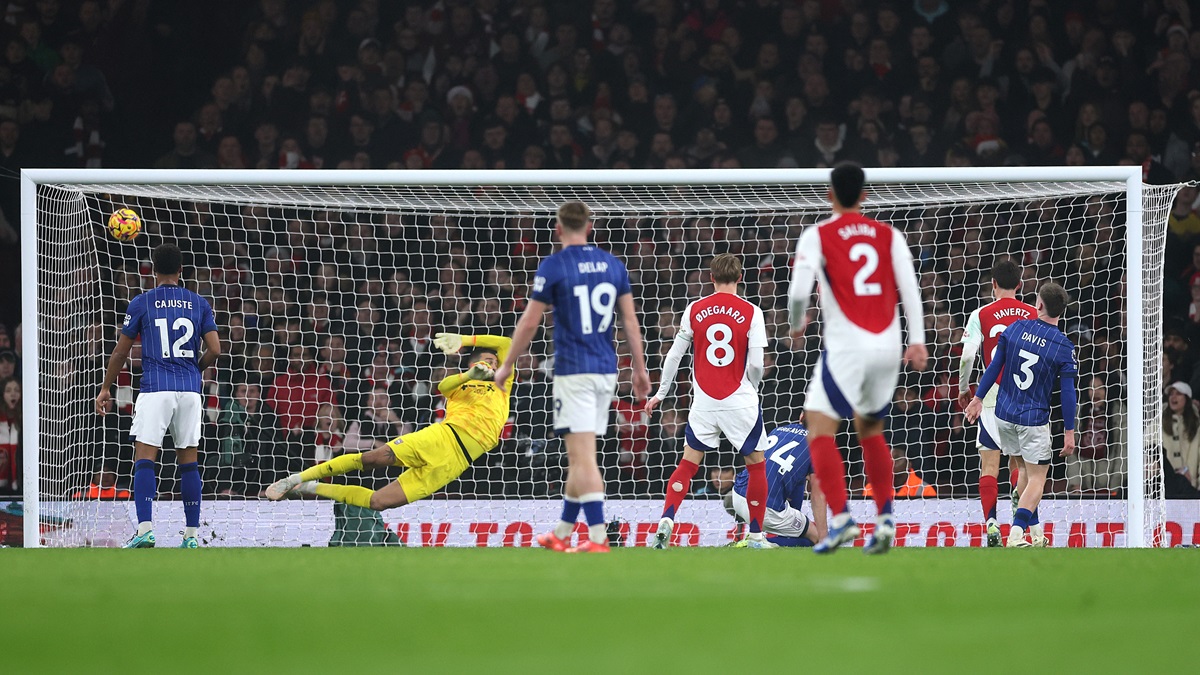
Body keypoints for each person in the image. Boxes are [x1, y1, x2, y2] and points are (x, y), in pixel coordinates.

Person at [787, 161, 928, 554]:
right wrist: (916, 340)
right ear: (865, 195)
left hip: (847, 346)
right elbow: (910, 289)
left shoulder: (817, 234)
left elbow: (799, 293)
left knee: (818, 427)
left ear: (829, 195)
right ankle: (884, 521)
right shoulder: (889, 235)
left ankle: (843, 519)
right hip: (888, 347)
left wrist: (797, 323)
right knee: (870, 430)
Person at [493, 201, 650, 553]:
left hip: (574, 371)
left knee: (583, 459)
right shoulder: (613, 264)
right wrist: (639, 369)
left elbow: (531, 321)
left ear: (558, 228)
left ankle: (597, 538)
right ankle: (563, 533)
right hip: (607, 371)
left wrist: (506, 366)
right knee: (579, 457)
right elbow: (629, 321)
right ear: (590, 226)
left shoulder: (555, 265)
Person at [265, 333, 514, 510]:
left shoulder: (504, 382)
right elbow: (442, 385)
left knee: (379, 502)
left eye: (494, 361)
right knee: (372, 459)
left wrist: (465, 340)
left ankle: (309, 488)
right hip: (443, 437)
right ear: (471, 365)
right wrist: (469, 375)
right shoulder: (464, 385)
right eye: (485, 360)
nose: (491, 363)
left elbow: (506, 343)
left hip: (456, 462)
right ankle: (296, 478)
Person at [95, 243, 221, 548]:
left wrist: (105, 387)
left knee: (145, 460)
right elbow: (216, 349)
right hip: (189, 390)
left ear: (152, 271)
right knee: (189, 462)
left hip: (155, 387)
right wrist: (195, 370)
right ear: (181, 271)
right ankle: (191, 536)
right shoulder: (198, 303)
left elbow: (121, 351)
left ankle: (146, 530)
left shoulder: (142, 302)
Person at [644, 253, 775, 549]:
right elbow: (756, 364)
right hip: (739, 399)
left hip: (703, 402)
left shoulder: (694, 309)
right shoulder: (752, 311)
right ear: (740, 278)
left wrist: (661, 393)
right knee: (756, 465)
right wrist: (751, 387)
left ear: (711, 278)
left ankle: (666, 519)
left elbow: (674, 356)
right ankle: (755, 537)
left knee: (689, 463)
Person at [966, 283, 1077, 548]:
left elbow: (994, 366)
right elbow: (1067, 392)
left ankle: (1035, 533)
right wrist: (1069, 431)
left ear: (1038, 305)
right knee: (1037, 477)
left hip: (1003, 415)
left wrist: (978, 398)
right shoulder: (1063, 346)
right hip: (1033, 420)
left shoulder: (1016, 329)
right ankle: (1017, 533)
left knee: (1024, 472)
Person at [957, 259, 1036, 547]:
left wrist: (965, 389)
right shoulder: (1032, 313)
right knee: (1022, 464)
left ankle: (991, 523)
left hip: (990, 395)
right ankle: (1021, 526)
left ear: (992, 284)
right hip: (1024, 395)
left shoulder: (981, 313)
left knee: (989, 465)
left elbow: (968, 356)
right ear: (1020, 285)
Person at [726, 422, 828, 547]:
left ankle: (757, 536)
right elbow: (818, 496)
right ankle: (753, 543)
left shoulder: (779, 430)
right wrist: (824, 535)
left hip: (737, 494)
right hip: (766, 508)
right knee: (816, 537)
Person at [1163, 381, 1200, 490]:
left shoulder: (1197, 425)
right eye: (1171, 394)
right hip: (1165, 487)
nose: (1173, 397)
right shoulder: (1157, 424)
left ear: (1187, 399)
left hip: (1190, 488)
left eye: (1178, 394)